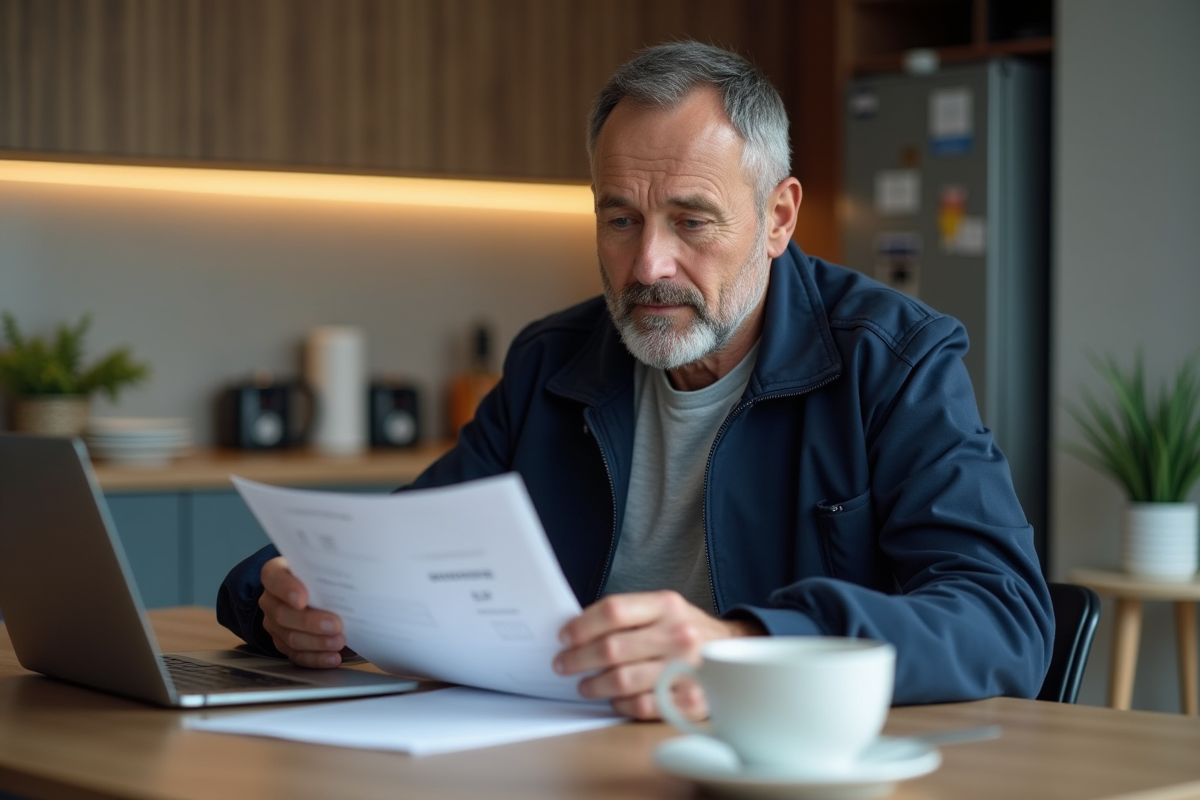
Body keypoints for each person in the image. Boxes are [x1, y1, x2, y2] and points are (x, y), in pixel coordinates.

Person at [218, 41, 1054, 719]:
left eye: (691, 221)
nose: (648, 264)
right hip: (571, 761)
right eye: (620, 220)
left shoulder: (893, 359)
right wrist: (277, 593)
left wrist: (743, 645)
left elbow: (1002, 620)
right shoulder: (554, 362)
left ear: (779, 217)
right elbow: (402, 548)